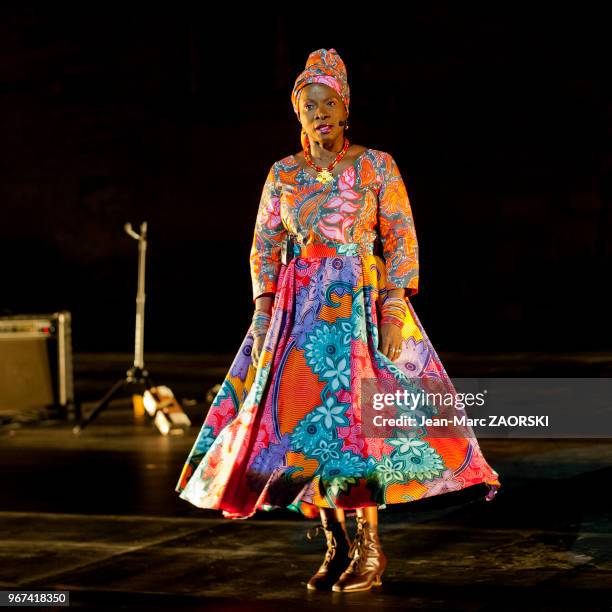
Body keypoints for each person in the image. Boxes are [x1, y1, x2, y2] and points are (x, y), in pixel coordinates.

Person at [176, 48, 501, 593]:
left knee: (358, 431)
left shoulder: (376, 165)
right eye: (310, 106)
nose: (320, 113)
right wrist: (262, 317)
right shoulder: (282, 174)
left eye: (330, 103)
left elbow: (401, 240)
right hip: (298, 315)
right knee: (305, 429)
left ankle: (370, 552)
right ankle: (336, 545)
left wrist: (394, 309)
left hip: (359, 313)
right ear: (297, 114)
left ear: (346, 108)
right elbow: (264, 246)